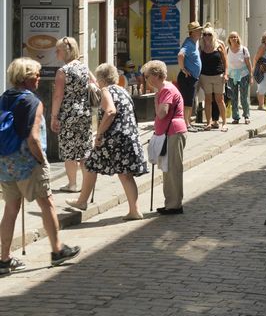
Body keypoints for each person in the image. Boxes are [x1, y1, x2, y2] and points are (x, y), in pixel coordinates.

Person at [0, 58, 80, 273]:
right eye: (35, 74)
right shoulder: (32, 101)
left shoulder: (4, 98)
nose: (39, 78)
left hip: (6, 162)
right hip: (28, 163)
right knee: (47, 204)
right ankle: (57, 250)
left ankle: (4, 258)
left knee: (10, 209)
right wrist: (42, 160)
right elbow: (33, 137)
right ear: (25, 78)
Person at [65, 63, 148, 220]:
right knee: (125, 174)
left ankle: (82, 201)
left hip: (114, 138)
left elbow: (110, 111)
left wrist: (99, 134)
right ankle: (134, 210)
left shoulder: (106, 90)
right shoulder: (123, 90)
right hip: (128, 136)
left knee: (91, 165)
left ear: (102, 79)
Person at [50, 36, 96, 194]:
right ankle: (87, 185)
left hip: (68, 114)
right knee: (83, 151)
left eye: (58, 50)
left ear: (65, 52)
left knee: (69, 151)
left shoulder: (63, 71)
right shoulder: (83, 68)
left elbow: (58, 96)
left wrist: (53, 117)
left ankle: (72, 184)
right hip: (84, 112)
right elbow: (95, 84)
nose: (56, 53)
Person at [142, 60, 188, 215]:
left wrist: (156, 101)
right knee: (168, 169)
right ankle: (170, 203)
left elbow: (162, 113)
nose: (147, 79)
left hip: (173, 132)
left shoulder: (166, 90)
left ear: (155, 75)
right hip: (170, 133)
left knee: (173, 169)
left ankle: (175, 205)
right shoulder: (164, 89)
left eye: (147, 76)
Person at [199, 27, 228, 131]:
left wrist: (226, 74)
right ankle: (208, 123)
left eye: (209, 34)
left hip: (218, 75)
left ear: (213, 35)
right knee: (208, 100)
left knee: (219, 100)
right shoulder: (201, 47)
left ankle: (224, 123)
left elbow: (225, 61)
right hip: (205, 76)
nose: (207, 36)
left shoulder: (219, 45)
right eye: (205, 34)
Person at [177, 22, 203, 127]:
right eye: (198, 30)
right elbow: (180, 55)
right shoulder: (188, 43)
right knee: (187, 101)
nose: (200, 32)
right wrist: (183, 69)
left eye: (200, 30)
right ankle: (186, 124)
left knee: (190, 101)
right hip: (187, 77)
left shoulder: (193, 43)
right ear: (192, 32)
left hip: (192, 78)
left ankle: (187, 122)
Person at [226, 32, 253, 125]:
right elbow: (225, 63)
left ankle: (246, 116)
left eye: (235, 37)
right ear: (229, 39)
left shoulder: (243, 49)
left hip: (243, 75)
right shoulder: (227, 50)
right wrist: (226, 74)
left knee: (244, 97)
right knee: (233, 97)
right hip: (231, 76)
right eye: (232, 37)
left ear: (238, 38)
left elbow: (249, 63)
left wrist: (251, 76)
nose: (234, 38)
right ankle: (236, 117)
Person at [253, 31, 266, 110]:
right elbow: (256, 58)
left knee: (262, 86)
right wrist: (253, 68)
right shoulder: (263, 46)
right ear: (264, 38)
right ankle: (261, 105)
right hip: (261, 69)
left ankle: (261, 104)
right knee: (262, 86)